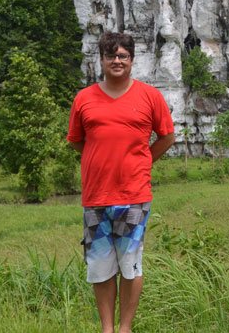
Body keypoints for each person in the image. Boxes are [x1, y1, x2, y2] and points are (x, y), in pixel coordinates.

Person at [67, 30, 175, 333]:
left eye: (123, 56)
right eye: (111, 55)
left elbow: (167, 136)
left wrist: (142, 161)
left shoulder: (149, 96)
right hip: (96, 196)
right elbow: (77, 141)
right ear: (101, 59)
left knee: (130, 264)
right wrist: (101, 157)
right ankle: (107, 328)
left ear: (131, 60)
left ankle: (125, 327)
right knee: (100, 267)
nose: (117, 60)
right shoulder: (84, 98)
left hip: (134, 195)